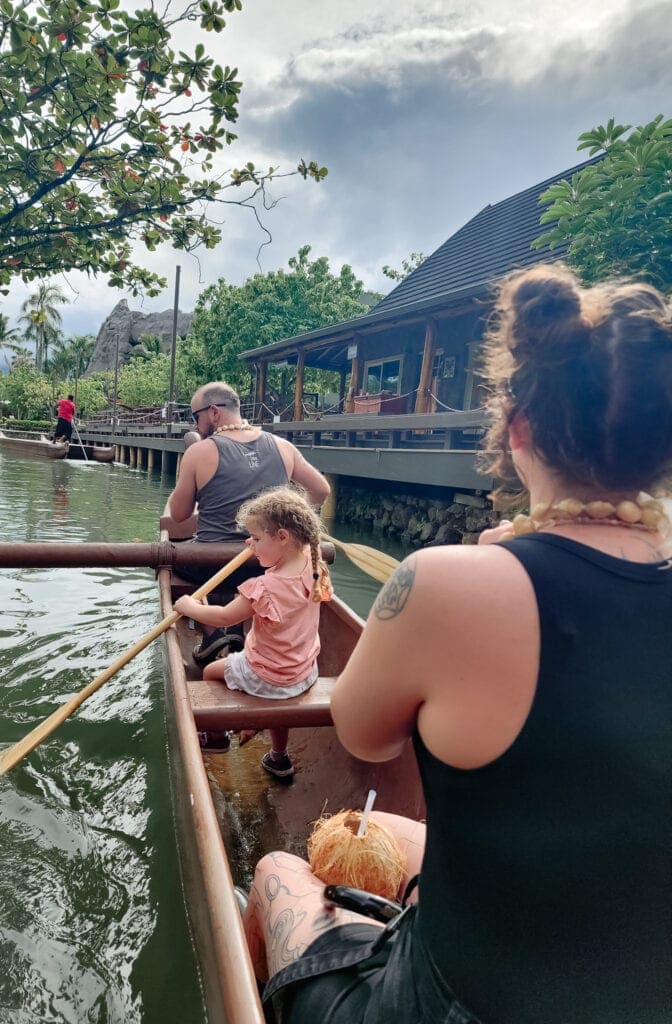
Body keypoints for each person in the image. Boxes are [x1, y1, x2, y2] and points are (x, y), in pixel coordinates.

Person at [243, 264, 672, 1024]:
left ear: (520, 430)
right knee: (402, 839)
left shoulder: (449, 585)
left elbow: (363, 735)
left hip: (454, 1007)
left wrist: (494, 561)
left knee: (278, 871)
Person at [166, 380, 330, 665]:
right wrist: (290, 515)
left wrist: (188, 469)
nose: (195, 425)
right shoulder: (283, 447)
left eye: (196, 417)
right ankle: (240, 627)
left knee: (176, 560)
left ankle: (214, 629)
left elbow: (178, 515)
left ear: (214, 412)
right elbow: (321, 491)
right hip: (268, 565)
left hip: (213, 565)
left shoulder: (199, 452)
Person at [174, 487, 333, 779]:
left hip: (268, 676)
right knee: (281, 702)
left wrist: (189, 606)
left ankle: (217, 737)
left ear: (283, 537)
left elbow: (222, 616)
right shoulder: (314, 562)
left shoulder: (265, 588)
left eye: (257, 539)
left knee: (210, 671)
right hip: (303, 672)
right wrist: (260, 543)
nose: (250, 544)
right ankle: (279, 756)